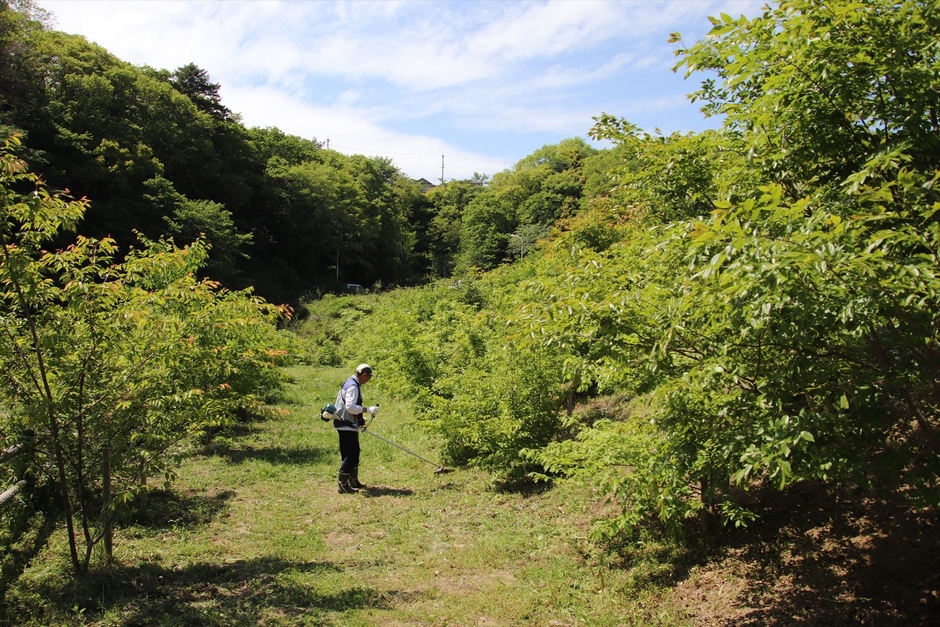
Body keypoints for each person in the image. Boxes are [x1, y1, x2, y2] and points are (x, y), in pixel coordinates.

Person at [333, 363, 378, 493]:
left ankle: (353, 480)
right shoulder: (353, 386)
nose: (368, 381)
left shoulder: (352, 382)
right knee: (350, 455)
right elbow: (350, 407)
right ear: (364, 375)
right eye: (368, 378)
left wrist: (360, 419)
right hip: (345, 425)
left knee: (355, 453)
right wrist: (367, 410)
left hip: (348, 424)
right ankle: (343, 485)